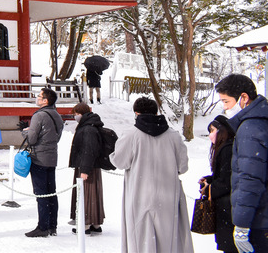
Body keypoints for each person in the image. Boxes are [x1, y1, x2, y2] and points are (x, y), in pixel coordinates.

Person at [110, 96, 193, 253]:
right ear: (156, 113)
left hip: (139, 195)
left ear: (136, 113)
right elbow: (182, 167)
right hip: (168, 196)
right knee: (168, 240)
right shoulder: (173, 136)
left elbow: (120, 162)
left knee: (140, 240)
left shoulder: (131, 135)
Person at [215, 73, 268, 253]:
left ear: (243, 97)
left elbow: (250, 179)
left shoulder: (250, 128)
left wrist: (242, 226)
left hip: (259, 220)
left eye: (226, 101)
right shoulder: (261, 121)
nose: (225, 108)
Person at [22, 87, 63, 237]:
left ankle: (43, 226)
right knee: (51, 192)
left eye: (39, 96)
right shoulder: (57, 115)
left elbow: (32, 139)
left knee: (41, 194)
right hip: (52, 157)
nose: (37, 98)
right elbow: (56, 137)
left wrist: (25, 131)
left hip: (39, 158)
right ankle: (52, 225)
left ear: (45, 100)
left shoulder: (39, 116)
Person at [199, 115, 236, 253]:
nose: (210, 135)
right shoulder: (225, 147)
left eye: (212, 130)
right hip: (226, 207)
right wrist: (209, 180)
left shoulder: (227, 148)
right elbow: (222, 175)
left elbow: (227, 181)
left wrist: (210, 189)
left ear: (222, 131)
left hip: (228, 208)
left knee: (229, 246)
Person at [68, 102, 105, 235]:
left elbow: (89, 150)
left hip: (86, 166)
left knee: (86, 195)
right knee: (93, 194)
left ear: (82, 114)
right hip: (91, 166)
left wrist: (84, 169)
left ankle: (86, 223)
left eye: (77, 114)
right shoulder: (90, 125)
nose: (75, 116)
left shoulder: (88, 128)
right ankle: (95, 223)